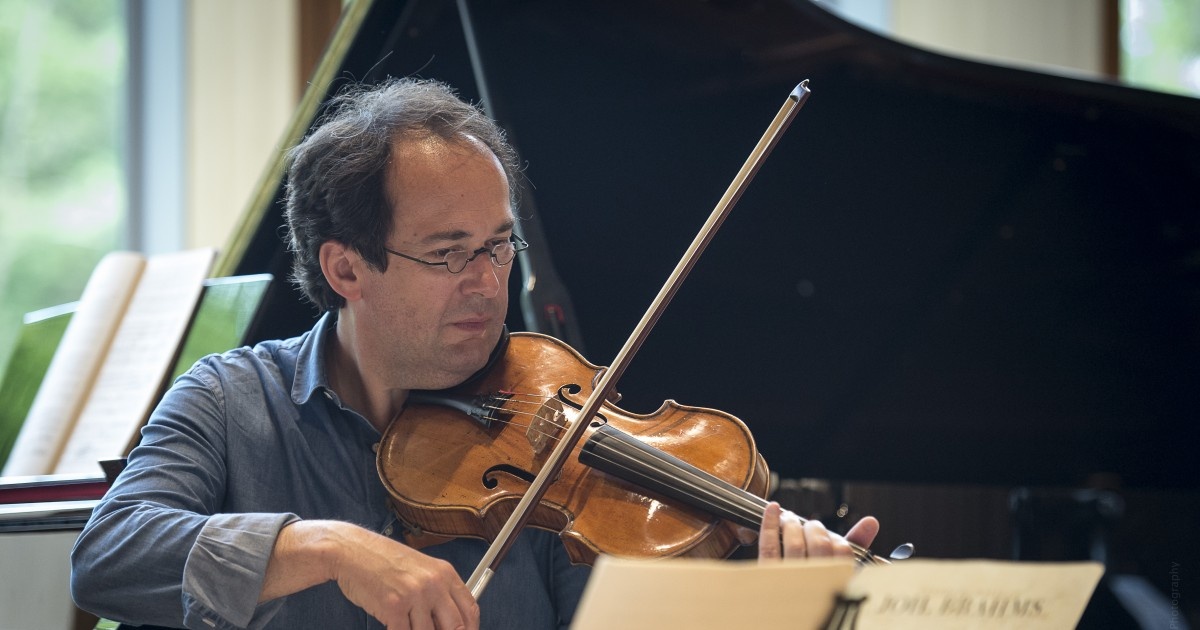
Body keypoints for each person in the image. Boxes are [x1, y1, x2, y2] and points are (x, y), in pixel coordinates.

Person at [70, 78, 879, 630]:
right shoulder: (231, 401)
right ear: (345, 269)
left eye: (498, 245)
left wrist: (769, 607)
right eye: (448, 254)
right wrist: (329, 546)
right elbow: (108, 556)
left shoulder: (557, 439)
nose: (488, 284)